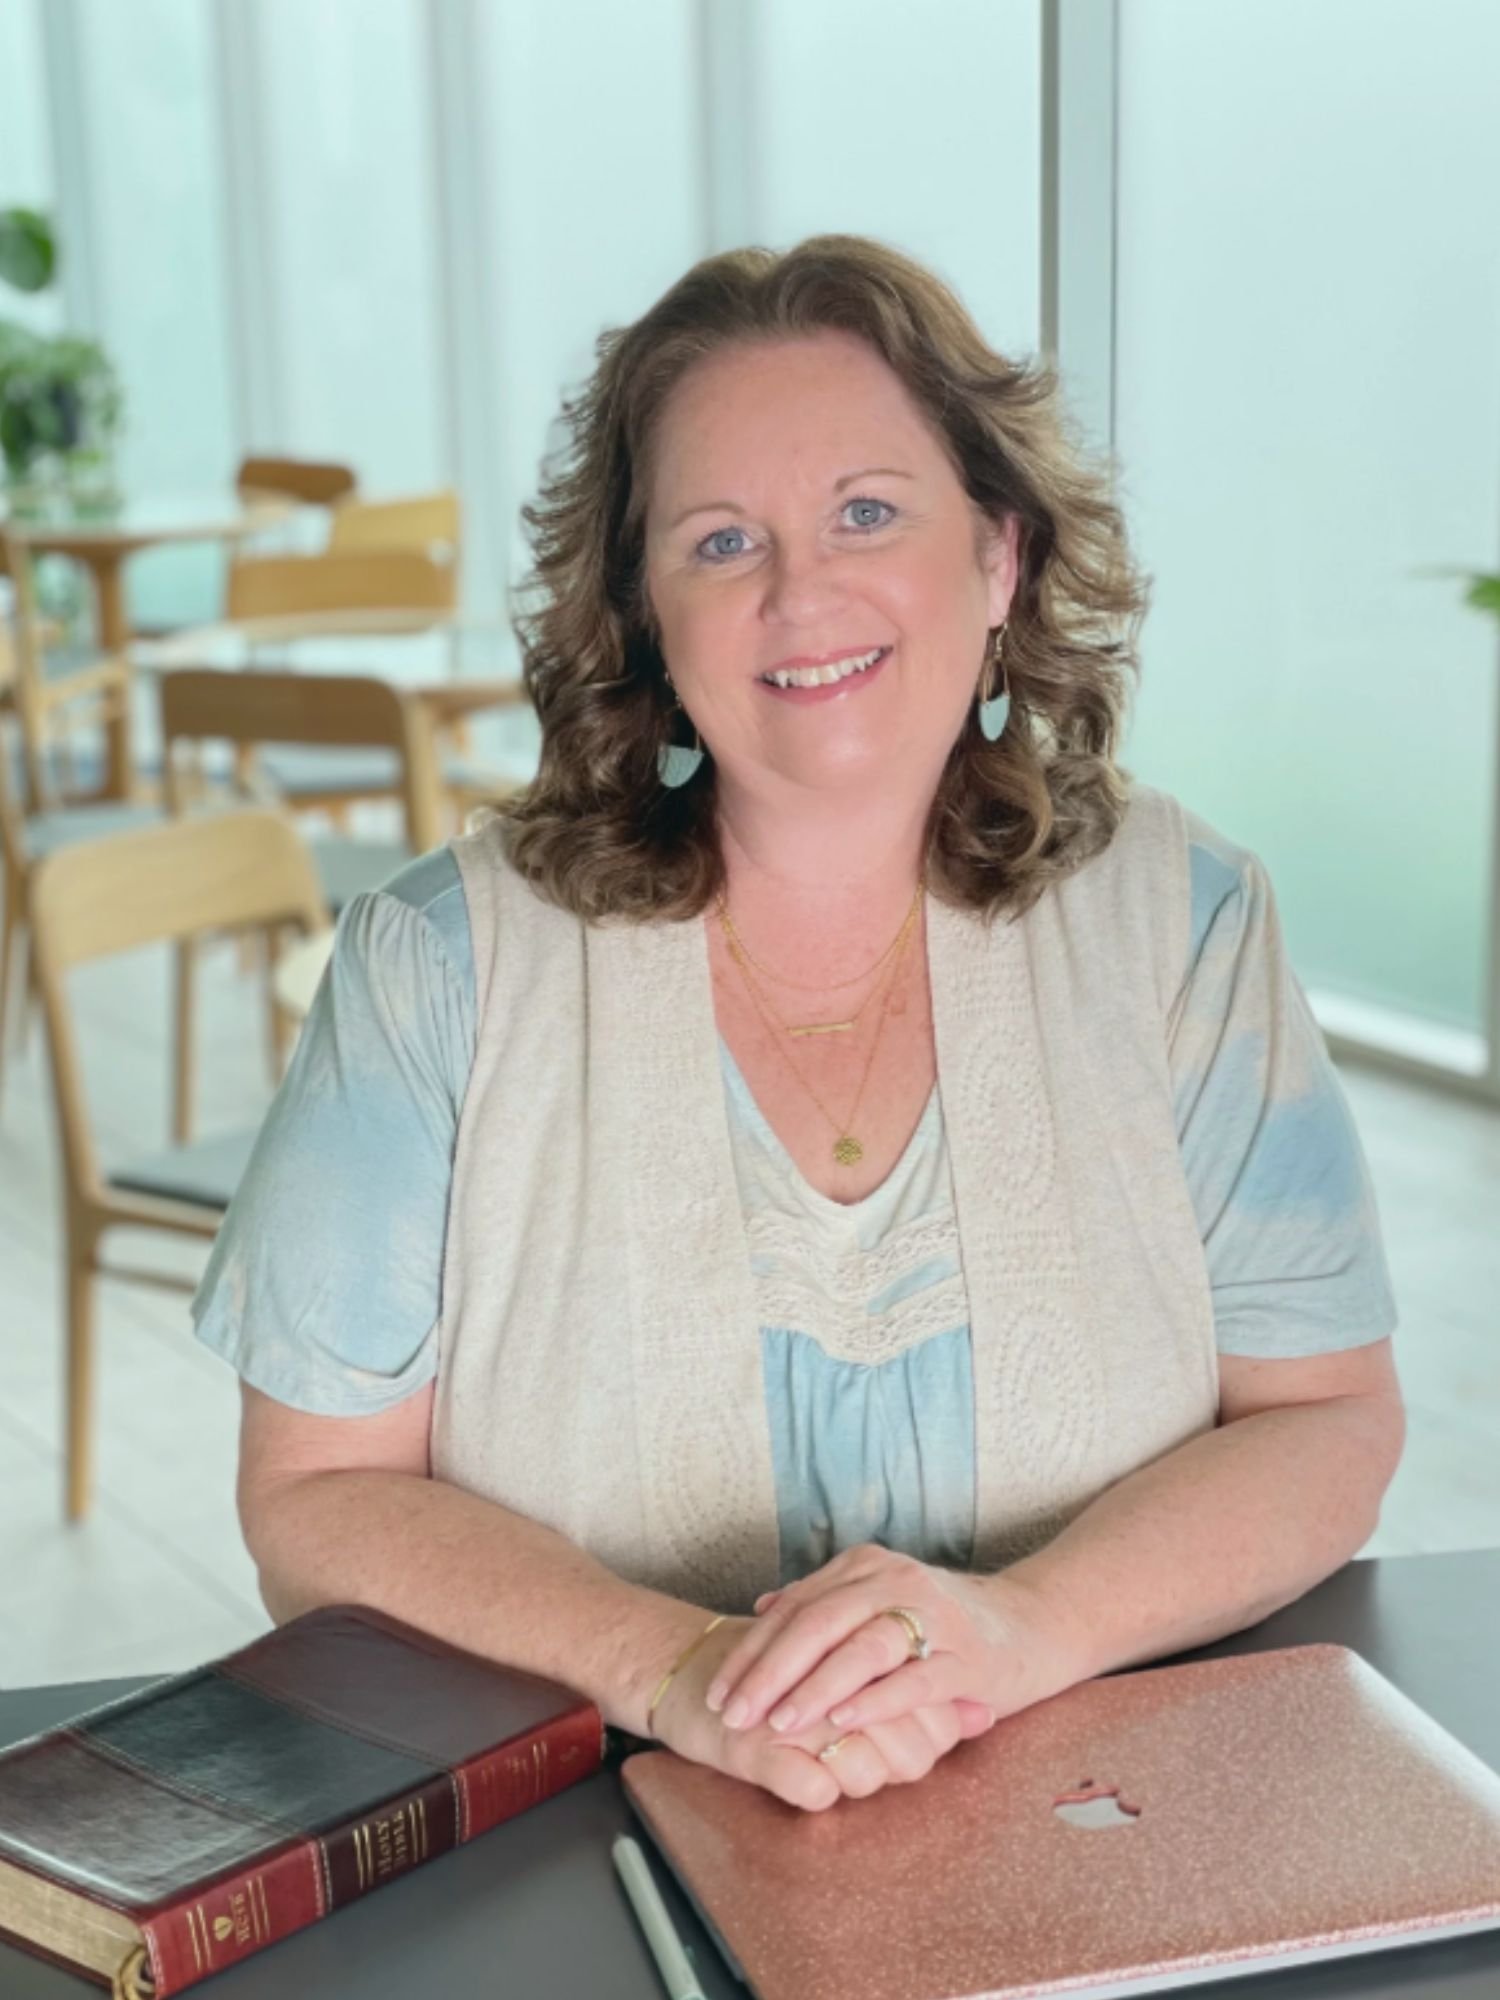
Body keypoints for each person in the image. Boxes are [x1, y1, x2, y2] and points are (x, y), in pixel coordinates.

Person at [195, 235, 1404, 1814]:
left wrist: (1017, 1632)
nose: (799, 591)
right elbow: (315, 1499)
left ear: (1000, 558)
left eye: (867, 511)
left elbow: (1328, 1420)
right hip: (586, 1837)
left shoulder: (1185, 925)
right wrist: (684, 1673)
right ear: (644, 618)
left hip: (1113, 1820)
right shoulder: (436, 967)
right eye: (718, 541)